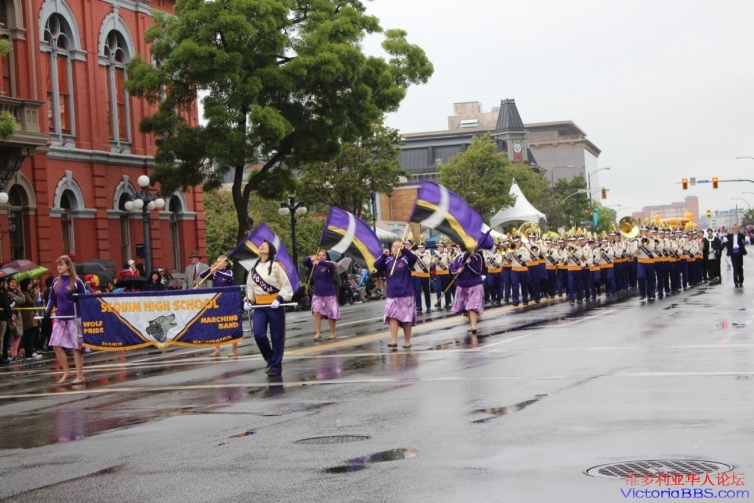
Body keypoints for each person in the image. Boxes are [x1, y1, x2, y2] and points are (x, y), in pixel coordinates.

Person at [246, 241, 293, 377]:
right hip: (260, 306)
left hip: (274, 305)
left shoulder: (277, 266)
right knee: (258, 334)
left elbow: (285, 285)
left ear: (270, 250)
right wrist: (248, 300)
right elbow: (250, 287)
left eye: (264, 245)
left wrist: (279, 299)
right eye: (260, 245)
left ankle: (276, 367)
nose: (261, 246)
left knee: (277, 336)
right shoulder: (254, 269)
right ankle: (271, 360)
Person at [45, 255, 87, 385]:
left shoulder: (77, 281)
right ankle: (66, 372)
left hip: (75, 318)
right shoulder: (55, 281)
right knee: (56, 345)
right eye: (57, 265)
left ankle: (79, 375)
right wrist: (47, 311)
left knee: (76, 347)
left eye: (61, 264)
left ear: (68, 265)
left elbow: (85, 299)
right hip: (60, 317)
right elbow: (52, 298)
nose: (58, 267)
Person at [374, 240, 417, 349]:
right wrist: (383, 255)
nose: (396, 248)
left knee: (406, 318)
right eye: (394, 246)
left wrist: (405, 249)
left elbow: (414, 258)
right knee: (392, 316)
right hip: (392, 293)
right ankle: (394, 340)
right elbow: (377, 265)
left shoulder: (406, 259)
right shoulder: (388, 260)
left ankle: (407, 341)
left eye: (398, 246)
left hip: (405, 293)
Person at [199, 256, 237, 357]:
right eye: (217, 261)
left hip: (228, 301)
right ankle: (217, 349)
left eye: (221, 262)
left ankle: (234, 350)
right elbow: (202, 275)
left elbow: (229, 277)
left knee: (231, 324)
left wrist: (217, 271)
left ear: (226, 263)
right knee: (216, 324)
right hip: (217, 301)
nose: (218, 263)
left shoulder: (229, 272)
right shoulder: (215, 274)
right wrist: (210, 269)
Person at [303, 250, 340, 341]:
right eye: (319, 255)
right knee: (316, 313)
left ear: (326, 256)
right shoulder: (314, 265)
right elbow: (305, 261)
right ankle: (318, 333)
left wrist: (321, 262)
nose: (321, 256)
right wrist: (312, 257)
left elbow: (335, 265)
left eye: (323, 255)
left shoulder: (328, 265)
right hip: (317, 293)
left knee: (331, 314)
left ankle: (332, 333)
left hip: (329, 293)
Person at [451, 248, 485, 334]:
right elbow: (453, 270)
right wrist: (457, 270)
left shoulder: (477, 256)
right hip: (462, 286)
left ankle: (474, 326)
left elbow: (478, 270)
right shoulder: (458, 257)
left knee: (472, 306)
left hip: (475, 285)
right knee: (467, 307)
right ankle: (471, 324)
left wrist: (470, 264)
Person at [20, 279, 41, 360]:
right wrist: (35, 294)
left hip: (30, 317)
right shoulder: (25, 293)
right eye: (29, 284)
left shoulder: (27, 293)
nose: (30, 285)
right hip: (28, 318)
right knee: (29, 336)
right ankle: (29, 353)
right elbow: (32, 303)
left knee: (30, 335)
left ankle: (30, 352)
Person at [0, 275, 13, 363]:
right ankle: (1, 356)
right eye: (5, 282)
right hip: (2, 318)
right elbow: (6, 306)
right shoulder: (2, 293)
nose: (6, 284)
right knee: (1, 338)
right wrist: (10, 315)